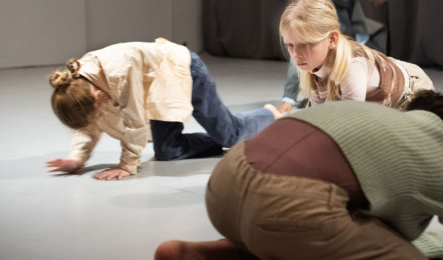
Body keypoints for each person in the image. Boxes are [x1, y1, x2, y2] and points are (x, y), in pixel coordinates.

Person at [154, 92, 443, 260]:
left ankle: (201, 253)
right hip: (287, 206)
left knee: (291, 233)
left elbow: (366, 226)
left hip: (224, 185)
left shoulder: (372, 119)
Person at [278, 0, 443, 161]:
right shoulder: (307, 61)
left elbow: (349, 124)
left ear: (332, 40)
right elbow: (322, 117)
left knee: (431, 148)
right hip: (380, 105)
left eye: (305, 45)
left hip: (409, 92)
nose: (296, 54)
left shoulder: (352, 66)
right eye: (290, 45)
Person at [46, 38, 277, 180]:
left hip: (185, 69)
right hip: (158, 86)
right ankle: (225, 139)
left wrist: (127, 166)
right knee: (167, 151)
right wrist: (77, 159)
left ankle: (268, 115)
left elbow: (134, 120)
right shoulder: (81, 85)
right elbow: (88, 125)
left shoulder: (118, 72)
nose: (98, 120)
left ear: (97, 97)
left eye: (97, 114)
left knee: (230, 133)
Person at [278, 0, 395, 115]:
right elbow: (296, 60)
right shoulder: (307, 41)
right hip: (332, 50)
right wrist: (288, 98)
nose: (295, 51)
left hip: (357, 42)